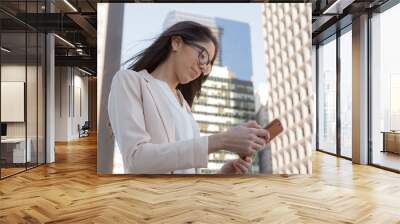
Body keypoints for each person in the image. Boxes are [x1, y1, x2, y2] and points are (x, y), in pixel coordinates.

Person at [108, 21, 270, 174]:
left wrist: (222, 174)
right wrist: (222, 140)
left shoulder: (185, 107)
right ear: (176, 42)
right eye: (203, 56)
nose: (203, 67)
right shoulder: (130, 81)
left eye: (208, 65)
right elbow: (136, 159)